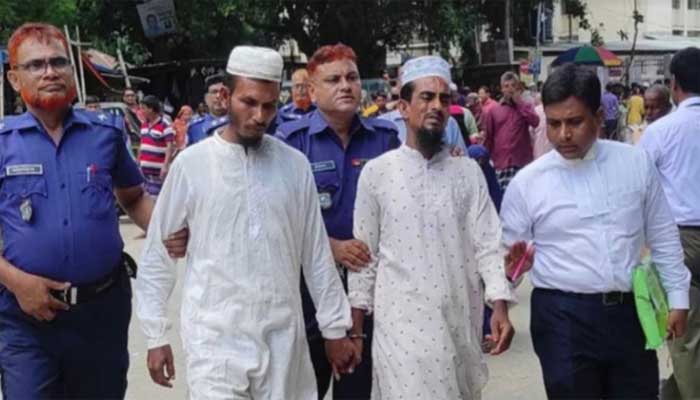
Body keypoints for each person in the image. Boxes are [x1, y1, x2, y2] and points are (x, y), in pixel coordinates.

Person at [136, 45, 359, 399]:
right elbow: (157, 254)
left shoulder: (294, 166)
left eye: (269, 106)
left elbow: (315, 254)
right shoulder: (191, 166)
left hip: (283, 342)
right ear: (226, 97)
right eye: (249, 103)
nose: (259, 116)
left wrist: (334, 328)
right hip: (214, 344)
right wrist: (155, 334)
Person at [0, 22, 186, 399]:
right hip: (26, 319)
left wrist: (169, 230)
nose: (50, 72)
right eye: (35, 65)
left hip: (101, 312)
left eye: (59, 62)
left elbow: (133, 197)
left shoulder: (105, 133)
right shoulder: (4, 142)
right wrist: (17, 282)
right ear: (14, 78)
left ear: (72, 71)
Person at [500, 63, 690, 399]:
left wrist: (678, 298)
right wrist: (511, 270)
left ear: (599, 117)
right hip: (561, 318)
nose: (563, 134)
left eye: (574, 122)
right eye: (554, 124)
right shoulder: (528, 183)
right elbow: (507, 260)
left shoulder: (635, 164)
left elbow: (662, 235)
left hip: (629, 313)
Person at [348, 55, 517, 399]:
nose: (437, 106)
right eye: (426, 97)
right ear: (403, 107)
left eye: (444, 98)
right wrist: (356, 330)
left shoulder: (467, 173)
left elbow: (488, 243)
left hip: (459, 322)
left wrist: (499, 303)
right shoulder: (377, 174)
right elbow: (364, 259)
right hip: (400, 329)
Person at [276, 43, 400, 400]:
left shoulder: (385, 139)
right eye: (333, 80)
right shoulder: (291, 143)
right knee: (303, 389)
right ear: (312, 91)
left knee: (357, 390)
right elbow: (279, 218)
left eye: (352, 78)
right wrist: (331, 248)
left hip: (368, 291)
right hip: (309, 291)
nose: (345, 86)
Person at [640, 47, 700, 400]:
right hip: (680, 237)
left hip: (681, 240)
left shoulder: (661, 131)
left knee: (686, 337)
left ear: (674, 85)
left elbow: (639, 188)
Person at [482, 71, 540, 191]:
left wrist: (519, 105)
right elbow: (489, 137)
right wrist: (486, 160)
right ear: (502, 89)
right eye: (506, 86)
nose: (510, 89)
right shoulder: (494, 110)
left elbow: (535, 122)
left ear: (518, 88)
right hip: (501, 164)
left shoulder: (526, 106)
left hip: (522, 162)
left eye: (513, 85)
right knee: (503, 198)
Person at [138, 95, 174, 198]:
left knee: (158, 198)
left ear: (151, 109)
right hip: (144, 171)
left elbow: (170, 146)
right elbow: (142, 144)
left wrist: (165, 165)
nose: (141, 111)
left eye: (143, 108)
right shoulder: (144, 125)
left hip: (158, 172)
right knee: (146, 197)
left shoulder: (165, 125)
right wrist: (138, 161)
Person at [268, 67, 316, 133]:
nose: (300, 90)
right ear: (292, 89)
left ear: (311, 88)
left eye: (304, 86)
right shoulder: (283, 113)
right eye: (297, 86)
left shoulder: (319, 112)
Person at [186, 74, 229, 145]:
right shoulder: (194, 128)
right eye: (214, 92)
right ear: (205, 98)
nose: (218, 96)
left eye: (223, 92)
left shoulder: (240, 124)